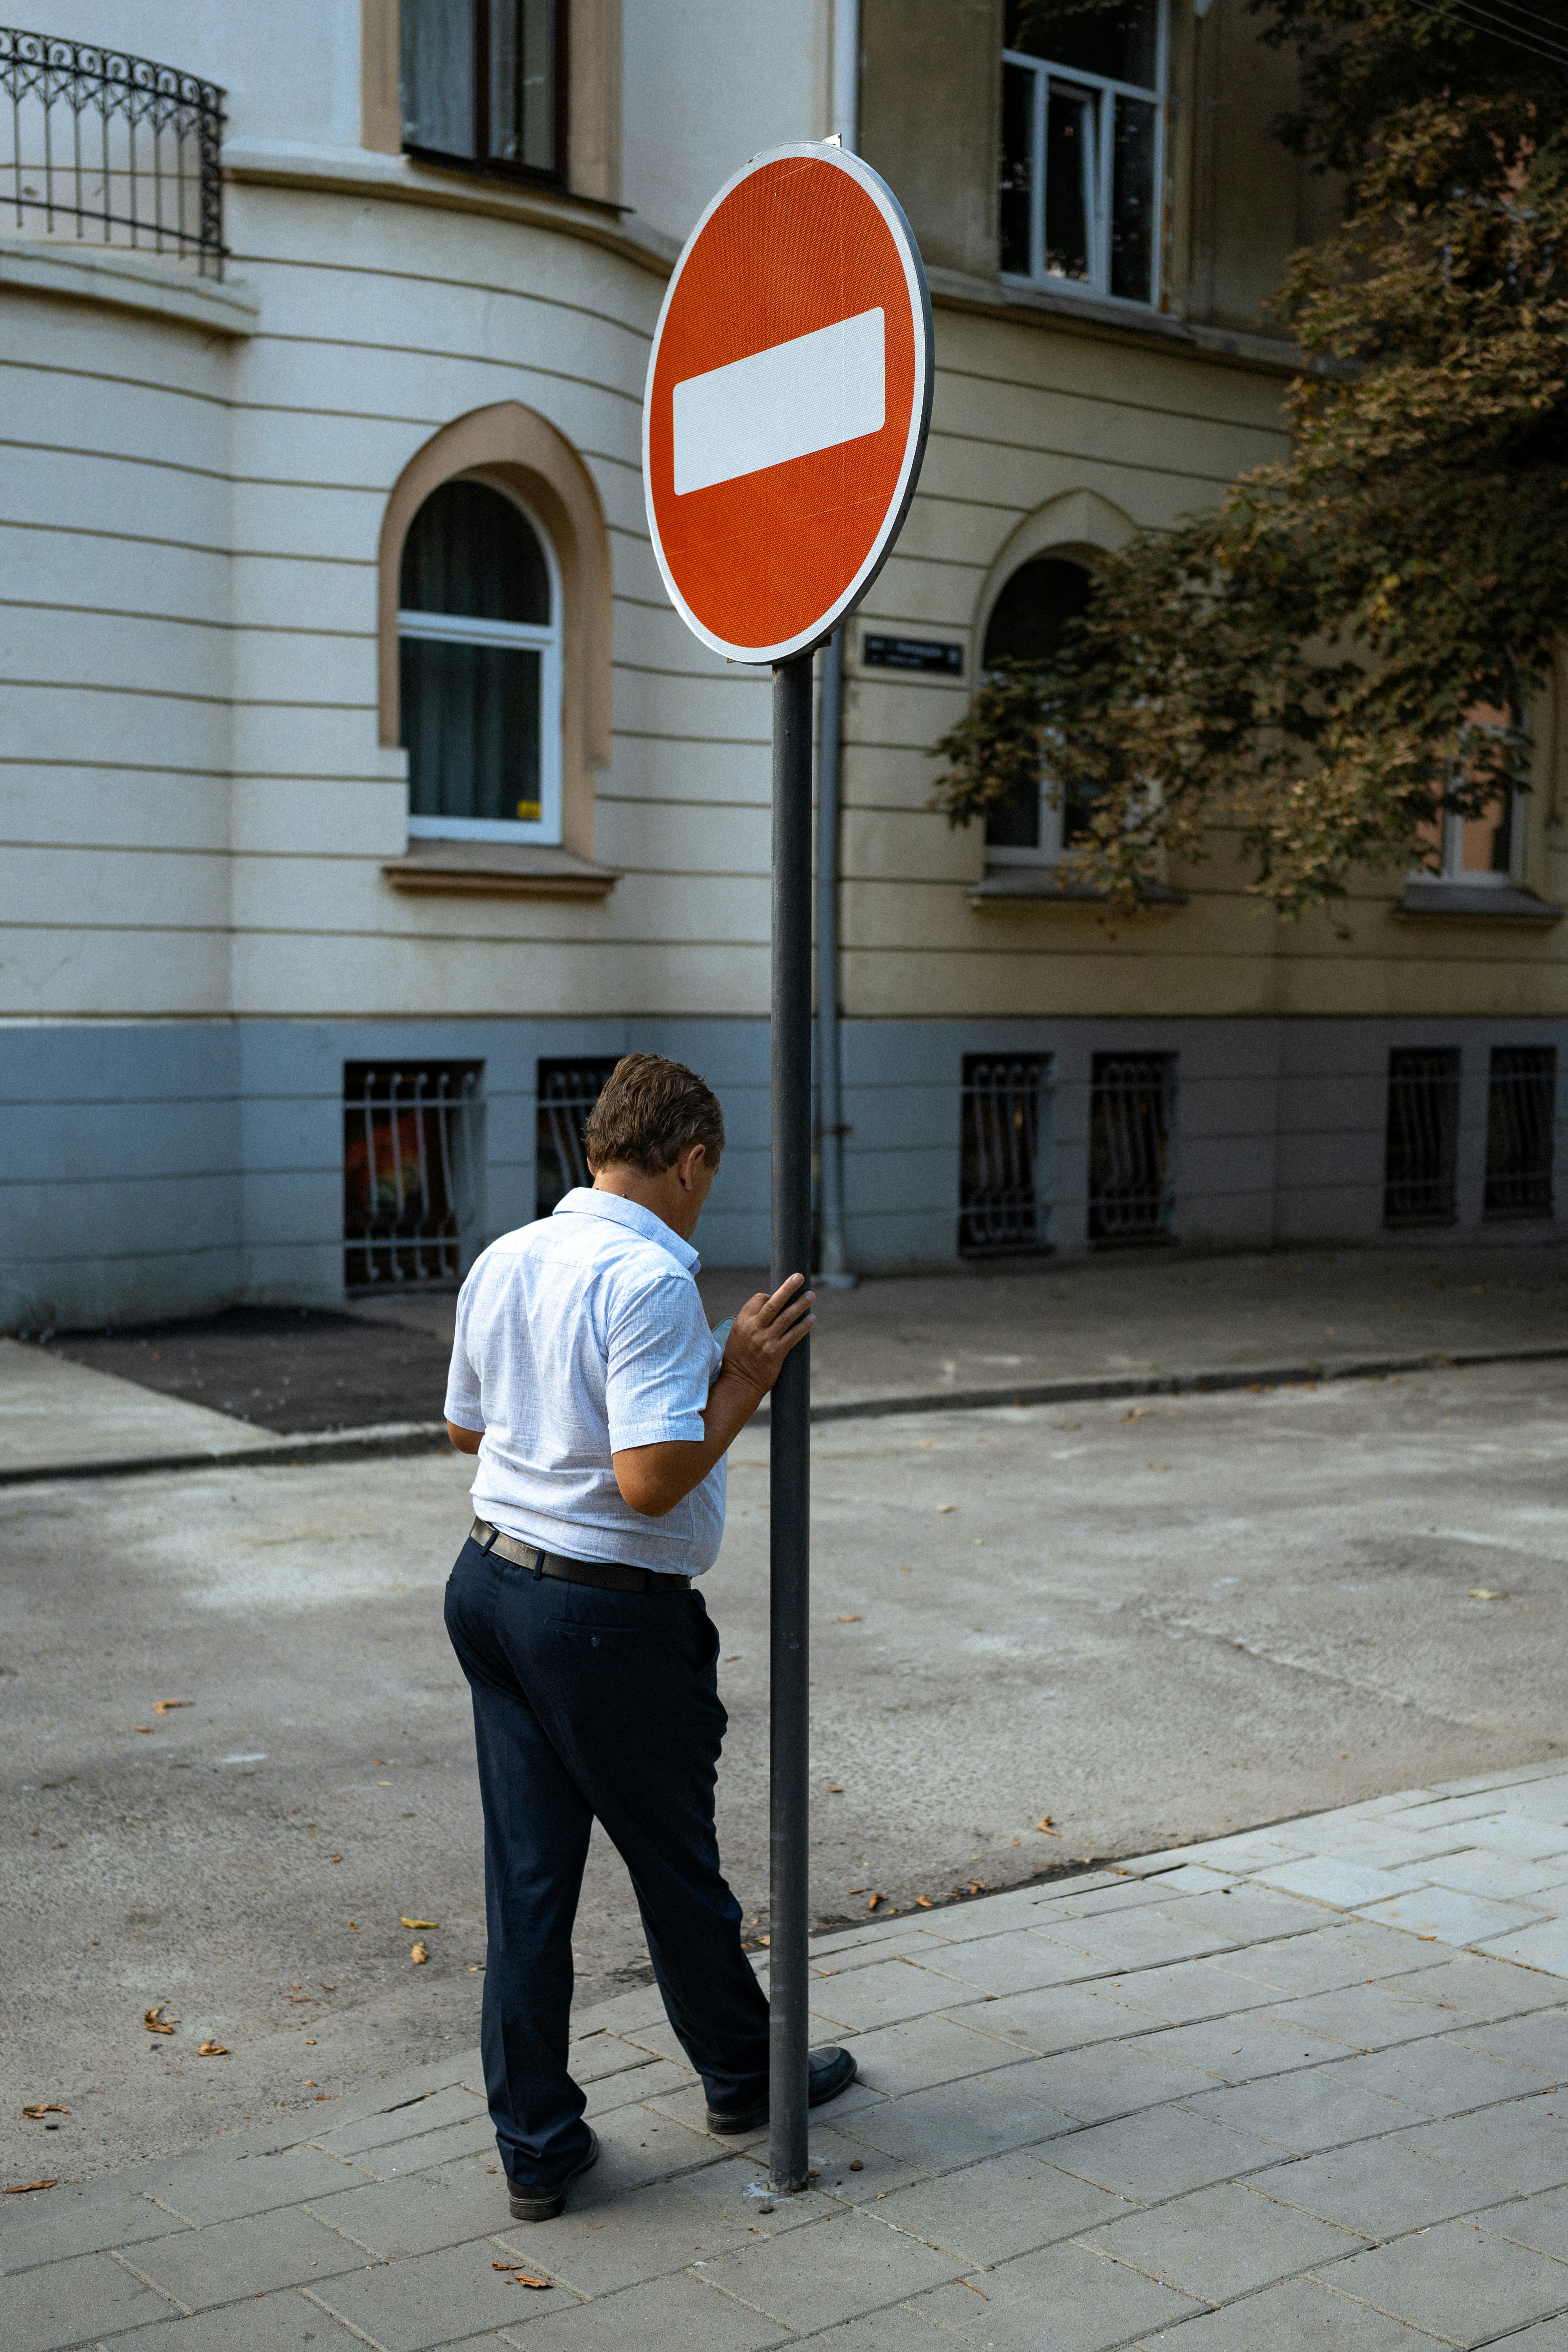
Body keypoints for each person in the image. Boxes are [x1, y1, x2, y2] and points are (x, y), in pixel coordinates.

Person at [442, 1052, 857, 2220]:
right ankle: (743, 2080)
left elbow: (467, 1428)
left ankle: (536, 2147)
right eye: (706, 1179)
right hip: (600, 1617)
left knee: (529, 1886)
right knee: (677, 1868)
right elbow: (652, 1481)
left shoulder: (508, 1256)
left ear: (593, 1152)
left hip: (487, 1586)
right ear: (689, 1163)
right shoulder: (645, 1281)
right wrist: (745, 1374)